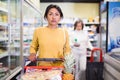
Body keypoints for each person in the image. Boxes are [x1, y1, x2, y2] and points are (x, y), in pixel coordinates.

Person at [28, 4, 74, 80]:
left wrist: (66, 56)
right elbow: (34, 45)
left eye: (57, 14)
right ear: (46, 16)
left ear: (60, 17)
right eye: (50, 14)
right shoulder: (38, 31)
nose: (53, 17)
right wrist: (32, 53)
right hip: (42, 68)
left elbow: (67, 49)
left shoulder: (64, 32)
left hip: (58, 68)